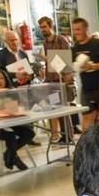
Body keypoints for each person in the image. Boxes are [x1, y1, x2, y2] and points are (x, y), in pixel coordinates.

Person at [0, 69, 36, 170]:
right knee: (10, 135)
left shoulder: (11, 92)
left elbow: (15, 108)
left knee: (29, 133)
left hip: (11, 122)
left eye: (1, 78)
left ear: (6, 80)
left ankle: (9, 153)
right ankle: (13, 157)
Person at [71, 17, 99, 132]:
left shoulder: (97, 44)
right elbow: (71, 67)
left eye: (78, 29)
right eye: (74, 30)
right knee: (86, 125)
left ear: (86, 29)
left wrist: (93, 66)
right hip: (86, 90)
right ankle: (88, 148)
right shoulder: (74, 48)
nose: (76, 33)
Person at [37, 16, 73, 144]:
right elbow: (50, 63)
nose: (43, 30)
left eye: (44, 27)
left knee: (64, 108)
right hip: (51, 80)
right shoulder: (45, 43)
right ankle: (61, 135)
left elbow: (66, 61)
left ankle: (68, 135)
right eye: (41, 27)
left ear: (51, 26)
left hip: (61, 79)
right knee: (55, 108)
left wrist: (48, 58)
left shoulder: (61, 40)